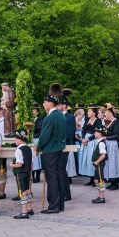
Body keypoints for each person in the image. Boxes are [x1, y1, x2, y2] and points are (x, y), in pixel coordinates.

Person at [37, 84, 66, 214]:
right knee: (59, 175)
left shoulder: (50, 117)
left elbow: (44, 136)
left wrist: (38, 147)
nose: (43, 105)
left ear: (50, 103)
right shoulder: (61, 115)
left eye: (45, 102)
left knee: (51, 178)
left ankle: (53, 205)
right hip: (59, 148)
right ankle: (60, 205)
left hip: (50, 150)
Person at [103, 104, 119, 190]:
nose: (104, 114)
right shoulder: (110, 122)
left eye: (105, 112)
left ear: (110, 113)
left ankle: (115, 183)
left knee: (114, 163)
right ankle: (112, 181)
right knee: (110, 163)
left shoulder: (116, 122)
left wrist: (106, 137)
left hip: (115, 145)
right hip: (110, 144)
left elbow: (117, 135)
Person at [9, 132, 34, 219]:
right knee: (28, 190)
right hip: (28, 172)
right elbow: (31, 163)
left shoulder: (18, 150)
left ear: (19, 140)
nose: (14, 140)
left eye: (15, 138)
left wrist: (12, 165)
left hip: (21, 173)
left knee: (22, 192)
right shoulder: (29, 149)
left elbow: (19, 164)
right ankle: (30, 208)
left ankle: (24, 212)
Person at [78, 104, 101, 186]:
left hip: (93, 141)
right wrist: (83, 138)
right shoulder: (87, 120)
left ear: (94, 112)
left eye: (90, 111)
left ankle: (95, 178)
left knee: (92, 158)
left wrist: (88, 139)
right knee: (87, 159)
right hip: (86, 141)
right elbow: (83, 130)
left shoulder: (98, 121)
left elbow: (97, 133)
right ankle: (90, 178)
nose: (88, 112)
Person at [59, 91, 76, 201]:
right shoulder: (58, 116)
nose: (57, 106)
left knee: (62, 168)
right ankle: (62, 192)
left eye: (59, 104)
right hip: (58, 145)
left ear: (64, 105)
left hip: (65, 145)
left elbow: (69, 132)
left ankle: (66, 193)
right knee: (59, 169)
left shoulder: (69, 117)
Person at [91, 126, 108, 204]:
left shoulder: (101, 143)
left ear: (100, 133)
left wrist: (96, 162)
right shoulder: (99, 142)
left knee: (100, 180)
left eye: (95, 132)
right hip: (97, 165)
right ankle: (100, 196)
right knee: (96, 180)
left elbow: (103, 155)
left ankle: (102, 197)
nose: (94, 133)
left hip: (99, 164)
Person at [31, 106, 43, 183]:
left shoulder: (40, 120)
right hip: (31, 140)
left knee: (37, 158)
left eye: (34, 111)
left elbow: (39, 130)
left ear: (37, 112)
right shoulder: (30, 120)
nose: (32, 112)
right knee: (32, 158)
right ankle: (32, 176)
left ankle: (37, 176)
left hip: (36, 139)